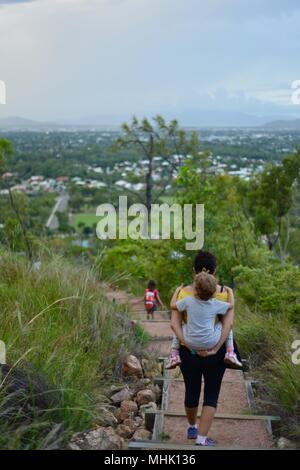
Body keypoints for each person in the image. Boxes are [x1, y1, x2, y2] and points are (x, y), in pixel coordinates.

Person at [165, 251, 242, 369]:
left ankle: (174, 354)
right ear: (214, 271)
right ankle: (230, 352)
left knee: (179, 326)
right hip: (213, 345)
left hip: (189, 346)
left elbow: (174, 322)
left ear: (193, 270)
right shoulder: (220, 297)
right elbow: (230, 316)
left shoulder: (186, 297)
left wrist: (176, 291)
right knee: (225, 325)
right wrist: (230, 291)